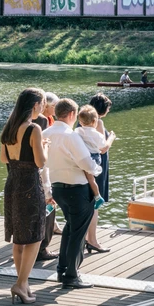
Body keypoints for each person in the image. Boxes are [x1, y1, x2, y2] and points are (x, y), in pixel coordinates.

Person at [46, 98, 102, 289]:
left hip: (57, 188)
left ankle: (62, 269)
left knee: (70, 228)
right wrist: (98, 169)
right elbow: (87, 164)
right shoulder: (71, 136)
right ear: (71, 114)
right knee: (78, 233)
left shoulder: (45, 133)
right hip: (77, 189)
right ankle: (71, 275)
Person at [0, 87, 48, 305]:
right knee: (35, 237)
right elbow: (40, 162)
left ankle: (24, 284)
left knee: (19, 237)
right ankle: (20, 284)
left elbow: (3, 159)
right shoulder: (34, 129)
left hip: (12, 183)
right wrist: (44, 148)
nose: (44, 108)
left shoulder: (9, 128)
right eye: (43, 104)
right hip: (29, 184)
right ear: (35, 105)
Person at [82, 94, 115, 253]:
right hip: (98, 166)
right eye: (108, 107)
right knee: (96, 203)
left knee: (88, 202)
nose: (109, 110)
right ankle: (92, 240)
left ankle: (87, 238)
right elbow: (103, 147)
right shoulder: (98, 122)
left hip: (86, 164)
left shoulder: (82, 122)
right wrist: (112, 138)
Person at [35, 92, 60, 259]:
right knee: (47, 204)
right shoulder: (41, 122)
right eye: (54, 107)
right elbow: (42, 156)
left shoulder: (15, 124)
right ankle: (42, 248)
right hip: (42, 170)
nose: (56, 110)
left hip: (24, 173)